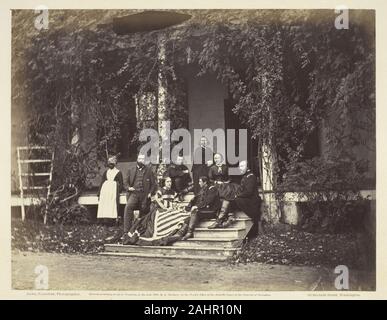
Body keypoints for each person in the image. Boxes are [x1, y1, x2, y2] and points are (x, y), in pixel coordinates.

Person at [123, 176, 190, 246]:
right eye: (167, 182)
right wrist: (165, 208)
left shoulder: (173, 192)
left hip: (170, 209)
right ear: (164, 182)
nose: (169, 183)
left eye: (170, 181)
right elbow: (158, 201)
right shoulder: (160, 191)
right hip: (160, 210)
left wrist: (174, 206)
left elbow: (175, 201)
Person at [122, 153, 157, 241]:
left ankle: (139, 231)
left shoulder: (149, 171)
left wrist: (150, 193)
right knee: (128, 207)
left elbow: (154, 184)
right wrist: (128, 187)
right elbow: (125, 182)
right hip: (134, 193)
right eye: (140, 159)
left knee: (144, 212)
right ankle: (126, 231)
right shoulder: (131, 169)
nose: (141, 160)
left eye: (143, 159)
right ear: (137, 159)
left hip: (144, 195)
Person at [182, 176, 221, 240]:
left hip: (211, 211)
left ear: (205, 182)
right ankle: (180, 233)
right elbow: (194, 200)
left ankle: (190, 232)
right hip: (203, 211)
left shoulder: (212, 189)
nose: (199, 183)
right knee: (188, 219)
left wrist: (197, 207)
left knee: (195, 212)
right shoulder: (202, 190)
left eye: (200, 181)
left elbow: (208, 200)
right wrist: (187, 207)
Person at [231, 160, 262, 240]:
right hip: (247, 199)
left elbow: (248, 192)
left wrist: (237, 195)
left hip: (252, 202)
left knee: (236, 199)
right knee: (230, 199)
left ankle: (227, 217)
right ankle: (228, 217)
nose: (239, 168)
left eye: (242, 166)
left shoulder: (251, 176)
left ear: (247, 167)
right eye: (239, 166)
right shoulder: (245, 176)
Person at [207, 153, 240, 229]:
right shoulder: (212, 168)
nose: (216, 160)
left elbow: (230, 177)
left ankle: (223, 218)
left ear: (221, 159)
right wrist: (216, 182)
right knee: (221, 194)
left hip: (225, 184)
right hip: (216, 185)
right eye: (215, 158)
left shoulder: (225, 167)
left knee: (229, 192)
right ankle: (229, 215)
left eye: (218, 158)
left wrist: (226, 182)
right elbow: (210, 179)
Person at [97, 155, 123, 222]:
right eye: (109, 163)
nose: (110, 164)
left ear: (115, 163)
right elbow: (102, 182)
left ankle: (113, 220)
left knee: (112, 204)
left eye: (112, 163)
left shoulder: (118, 172)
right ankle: (105, 220)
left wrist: (119, 191)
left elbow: (121, 183)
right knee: (105, 203)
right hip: (105, 191)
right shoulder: (106, 172)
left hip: (113, 191)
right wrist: (99, 193)